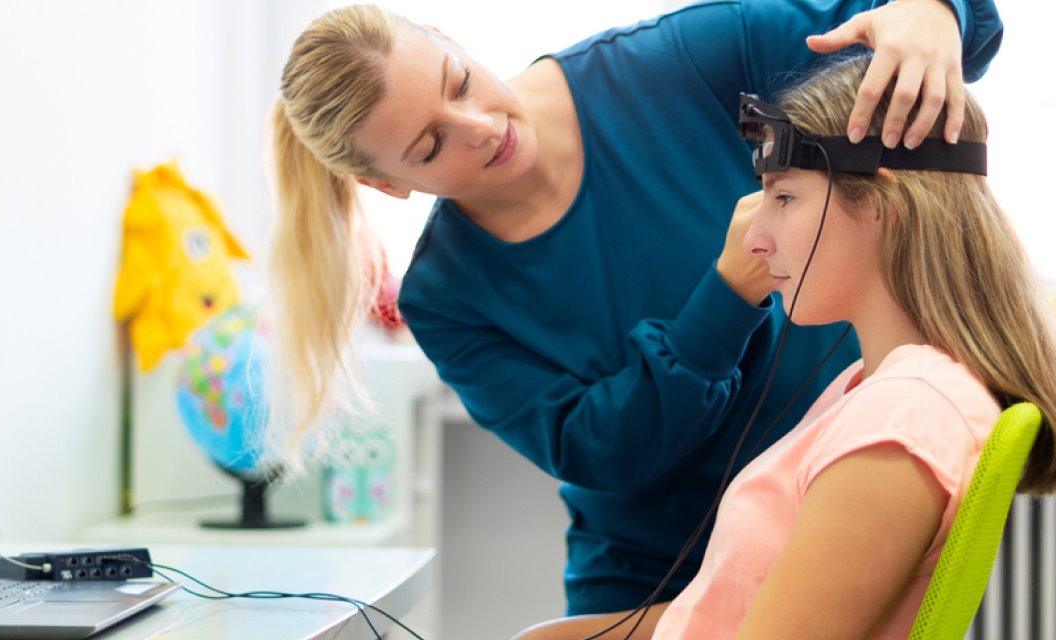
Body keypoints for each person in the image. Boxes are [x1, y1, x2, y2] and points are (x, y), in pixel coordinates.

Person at [266, 0, 1006, 617]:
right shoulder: (445, 296)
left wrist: (933, 13)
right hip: (649, 571)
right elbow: (602, 452)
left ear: (453, 41)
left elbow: (932, 33)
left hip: (830, 512)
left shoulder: (678, 63)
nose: (482, 127)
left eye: (459, 82)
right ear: (389, 186)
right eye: (431, 146)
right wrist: (725, 297)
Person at [512, 53, 1056, 639]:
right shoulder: (874, 388)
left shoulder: (904, 418)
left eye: (783, 197)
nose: (756, 239)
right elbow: (721, 613)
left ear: (880, 205)